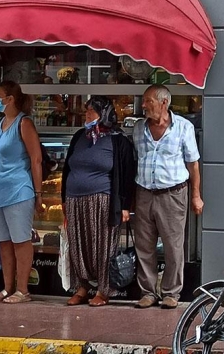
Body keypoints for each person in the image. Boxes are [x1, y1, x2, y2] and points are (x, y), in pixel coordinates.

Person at [132, 85, 203, 309]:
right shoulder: (138, 129)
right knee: (144, 245)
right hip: (144, 192)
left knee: (173, 246)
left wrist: (196, 196)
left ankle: (171, 293)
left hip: (173, 194)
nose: (143, 105)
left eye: (148, 101)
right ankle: (148, 292)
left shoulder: (183, 127)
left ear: (164, 103)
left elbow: (193, 164)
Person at [61, 96, 136, 307]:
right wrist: (63, 200)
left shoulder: (117, 140)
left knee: (102, 246)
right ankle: (82, 287)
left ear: (104, 114)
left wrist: (124, 206)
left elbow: (127, 174)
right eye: (87, 112)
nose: (87, 116)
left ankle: (104, 290)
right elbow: (68, 169)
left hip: (103, 201)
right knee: (78, 245)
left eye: (92, 112)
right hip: (75, 200)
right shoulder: (79, 137)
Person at [0, 80, 43, 304]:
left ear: (10, 99)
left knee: (20, 241)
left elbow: (35, 159)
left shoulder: (23, 123)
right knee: (4, 242)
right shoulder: (1, 123)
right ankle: (7, 287)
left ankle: (23, 289)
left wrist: (38, 193)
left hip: (18, 191)